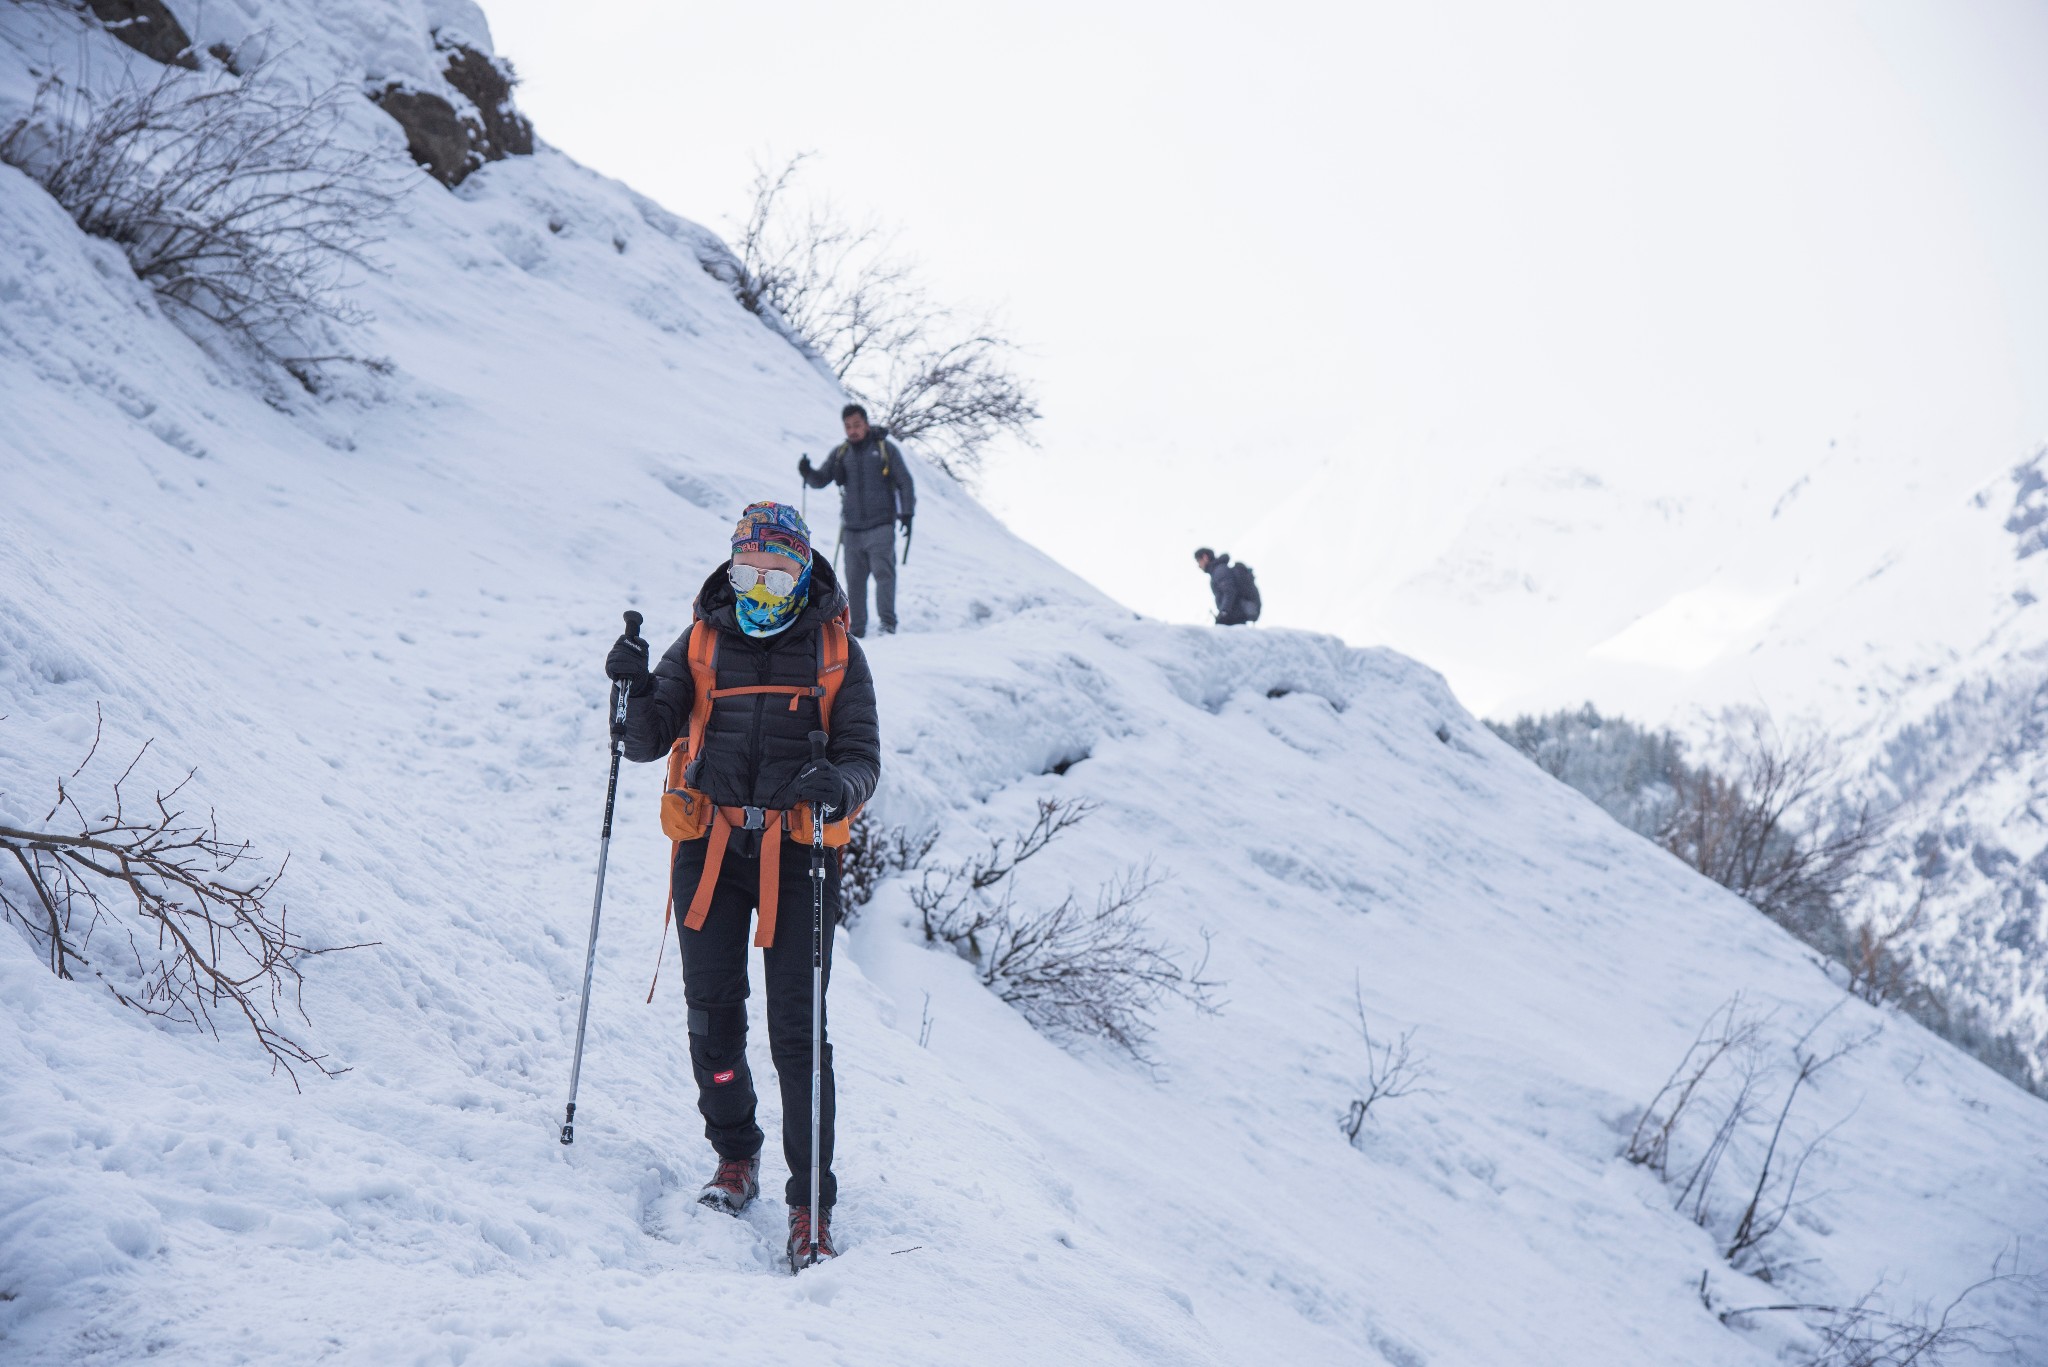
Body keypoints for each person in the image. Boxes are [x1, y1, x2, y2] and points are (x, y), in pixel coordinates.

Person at [605, 501, 880, 1271]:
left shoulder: (837, 652)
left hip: (799, 855)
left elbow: (863, 756)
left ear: (802, 571)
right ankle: (736, 1153)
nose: (761, 587)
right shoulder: (699, 642)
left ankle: (810, 1203)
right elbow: (645, 740)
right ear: (732, 567)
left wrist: (840, 788)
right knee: (713, 1017)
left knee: (799, 1033)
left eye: (778, 571)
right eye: (749, 570)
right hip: (710, 849)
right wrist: (628, 694)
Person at [798, 404, 916, 638]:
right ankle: (857, 628)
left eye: (857, 425)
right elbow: (821, 479)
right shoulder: (842, 453)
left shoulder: (884, 449)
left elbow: (905, 481)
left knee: (884, 575)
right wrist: (807, 472)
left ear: (866, 423)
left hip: (881, 525)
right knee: (854, 580)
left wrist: (907, 513)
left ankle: (887, 624)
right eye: (848, 426)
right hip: (851, 529)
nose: (853, 430)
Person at [1193, 547, 1259, 626]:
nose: (1199, 566)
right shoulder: (1218, 570)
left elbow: (1229, 591)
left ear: (1205, 557)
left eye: (1198, 561)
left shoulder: (1219, 570)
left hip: (1234, 615)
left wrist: (1224, 612)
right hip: (1236, 614)